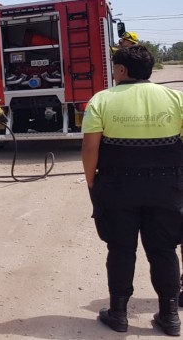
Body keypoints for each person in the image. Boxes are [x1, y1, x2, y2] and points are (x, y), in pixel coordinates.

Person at [82, 45, 183, 335]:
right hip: (167, 185)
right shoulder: (175, 98)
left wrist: (92, 181)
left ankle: (118, 314)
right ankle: (170, 317)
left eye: (114, 68)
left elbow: (90, 148)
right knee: (164, 249)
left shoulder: (102, 99)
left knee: (121, 249)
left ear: (122, 70)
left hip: (117, 185)